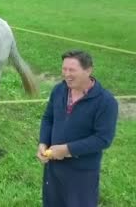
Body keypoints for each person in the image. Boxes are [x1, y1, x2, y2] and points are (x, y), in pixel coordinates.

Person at [37, 50, 118, 206]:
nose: (67, 74)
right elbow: (48, 118)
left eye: (72, 70)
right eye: (64, 69)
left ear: (88, 70)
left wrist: (67, 150)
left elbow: (103, 139)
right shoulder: (59, 90)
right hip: (54, 168)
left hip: (82, 172)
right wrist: (43, 143)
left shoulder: (106, 102)